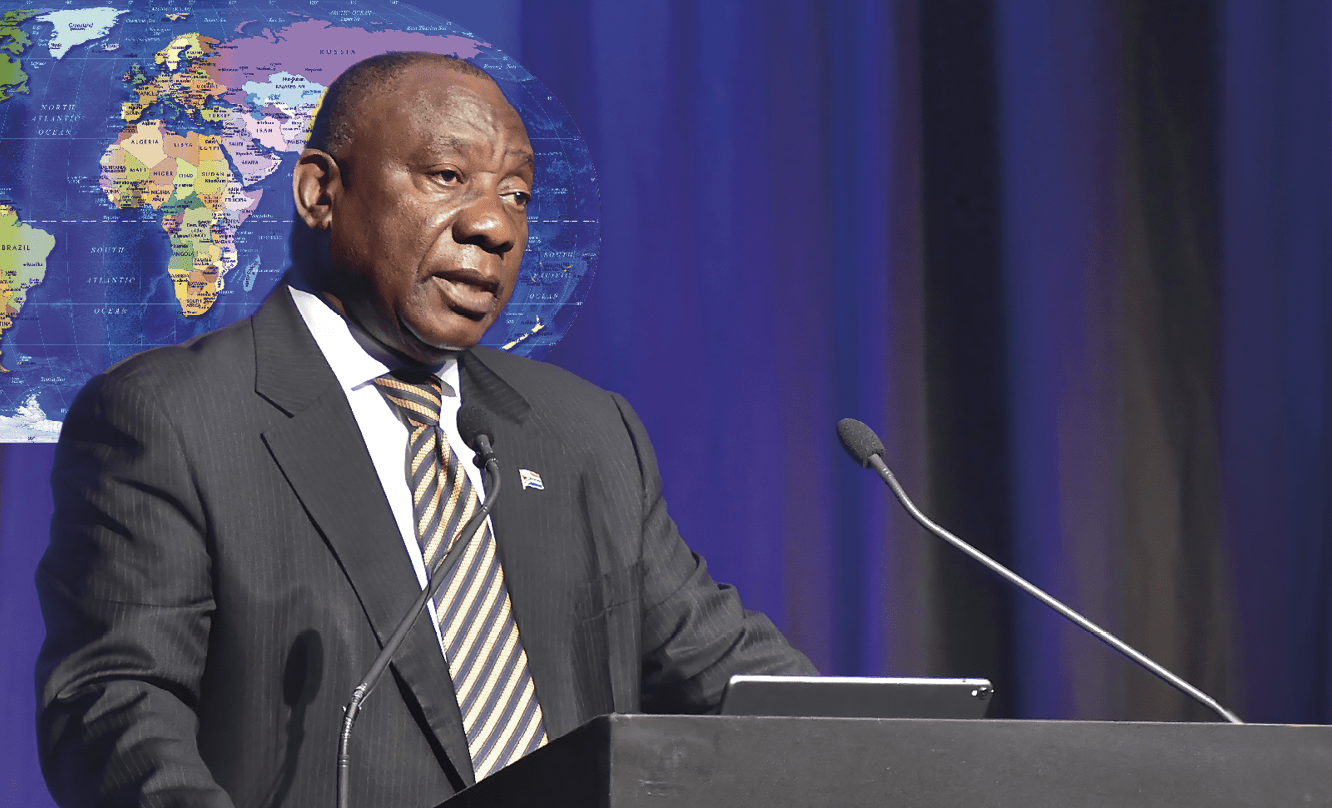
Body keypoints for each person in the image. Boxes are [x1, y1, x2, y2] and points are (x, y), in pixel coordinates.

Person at [35, 52, 814, 808]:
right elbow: (114, 706)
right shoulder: (173, 418)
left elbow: (725, 673)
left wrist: (900, 752)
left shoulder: (583, 432)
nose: (493, 225)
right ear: (319, 192)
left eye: (517, 194)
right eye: (448, 177)